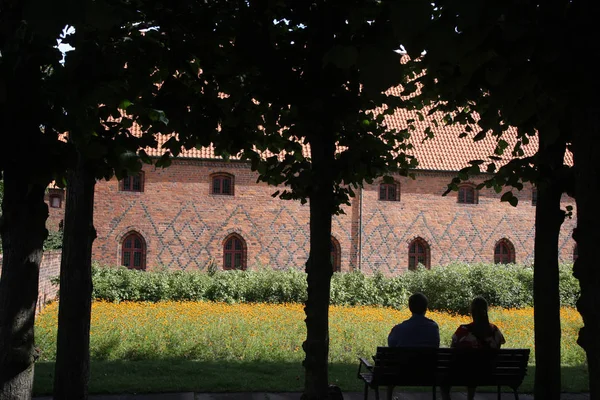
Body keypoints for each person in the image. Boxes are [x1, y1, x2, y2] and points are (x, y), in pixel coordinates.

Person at [441, 296, 506, 400]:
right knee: (475, 367)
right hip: (489, 373)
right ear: (486, 310)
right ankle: (470, 398)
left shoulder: (463, 331)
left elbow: (452, 350)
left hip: (464, 373)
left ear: (471, 311)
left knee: (447, 380)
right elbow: (497, 348)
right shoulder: (495, 331)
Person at [387, 293, 440, 400]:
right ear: (426, 308)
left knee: (391, 370)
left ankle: (389, 397)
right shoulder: (434, 328)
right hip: (428, 373)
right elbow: (436, 345)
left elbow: (391, 345)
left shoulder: (399, 329)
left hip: (401, 374)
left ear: (410, 308)